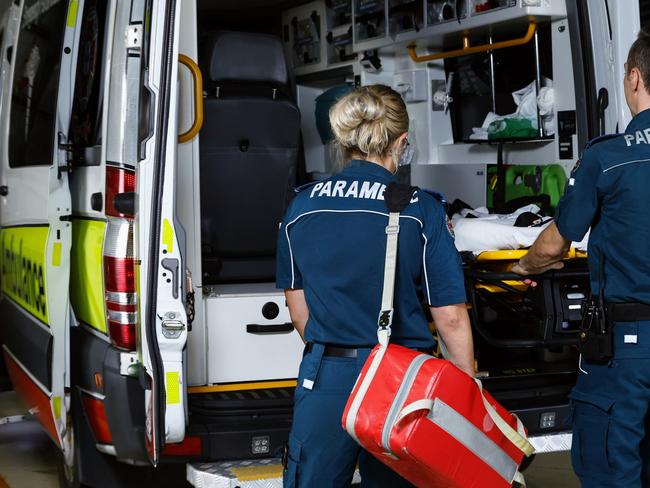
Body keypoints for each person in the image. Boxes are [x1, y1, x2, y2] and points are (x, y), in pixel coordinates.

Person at [276, 84, 474, 487]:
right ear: (402, 142)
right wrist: (466, 388)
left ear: (343, 142)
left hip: (325, 374)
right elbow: (450, 317)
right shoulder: (421, 209)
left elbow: (300, 313)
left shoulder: (301, 207)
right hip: (402, 382)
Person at [512, 32, 650, 488]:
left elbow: (554, 246)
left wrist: (523, 268)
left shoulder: (608, 158)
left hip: (629, 345)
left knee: (613, 461)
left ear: (634, 77)